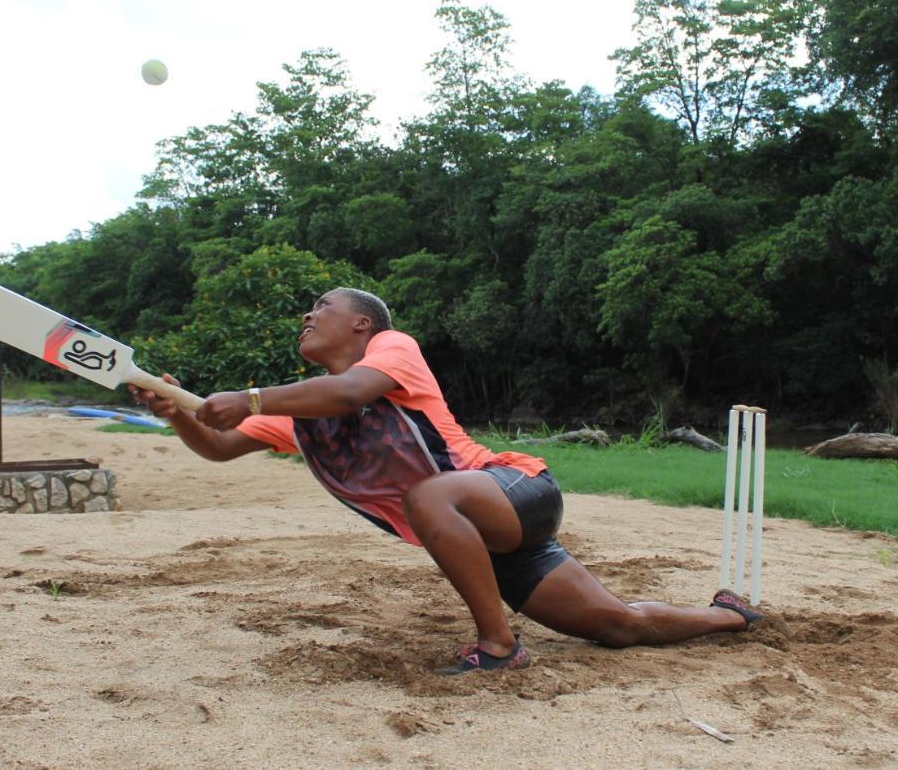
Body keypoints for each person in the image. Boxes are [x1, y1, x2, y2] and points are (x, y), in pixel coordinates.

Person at [131, 287, 763, 674]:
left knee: (426, 493)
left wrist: (251, 396)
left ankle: (497, 645)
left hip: (514, 492)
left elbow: (351, 391)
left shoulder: (393, 349)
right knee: (616, 626)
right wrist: (178, 415)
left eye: (322, 306)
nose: (307, 313)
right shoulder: (301, 417)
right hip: (477, 539)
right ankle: (730, 618)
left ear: (362, 326)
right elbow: (216, 448)